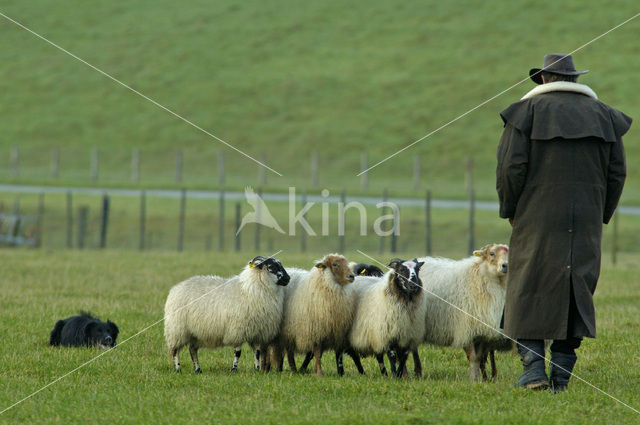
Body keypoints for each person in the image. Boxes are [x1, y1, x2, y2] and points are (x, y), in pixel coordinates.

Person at [496, 53, 631, 392]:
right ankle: (561, 374)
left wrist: (511, 210)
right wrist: (600, 212)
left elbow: (511, 168)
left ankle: (533, 370)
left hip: (534, 215)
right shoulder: (605, 117)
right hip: (586, 218)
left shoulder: (525, 114)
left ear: (543, 79)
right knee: (577, 288)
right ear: (573, 80)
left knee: (527, 285)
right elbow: (617, 173)